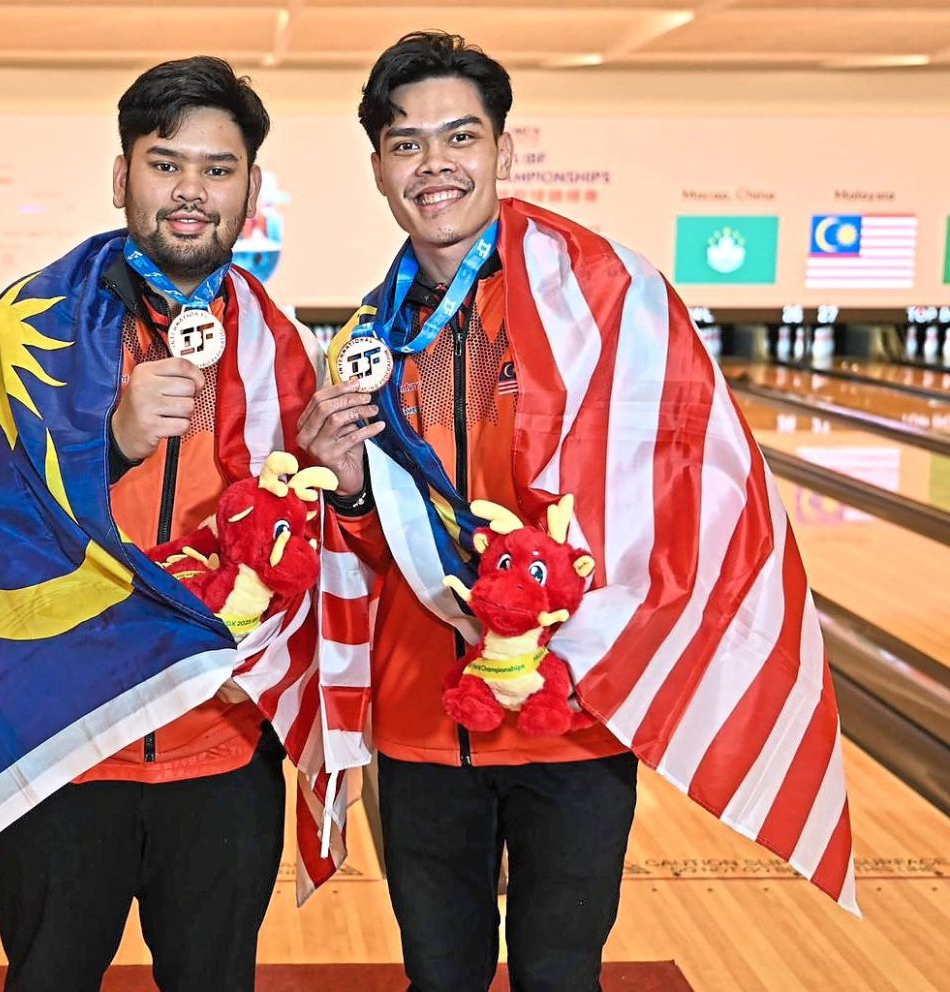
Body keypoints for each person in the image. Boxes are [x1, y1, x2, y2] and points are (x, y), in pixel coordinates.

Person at [299, 30, 824, 992]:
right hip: (423, 724)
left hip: (575, 715)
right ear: (379, 168)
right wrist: (350, 488)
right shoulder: (368, 342)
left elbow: (681, 487)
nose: (434, 164)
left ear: (502, 148)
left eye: (460, 137)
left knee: (560, 973)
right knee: (440, 975)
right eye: (407, 143)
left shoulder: (602, 301)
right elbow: (370, 553)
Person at [0, 56, 322, 992]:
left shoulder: (283, 349)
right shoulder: (33, 325)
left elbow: (305, 553)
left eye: (218, 169)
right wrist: (110, 443)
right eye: (165, 163)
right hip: (65, 750)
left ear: (250, 190)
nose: (191, 191)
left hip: (223, 750)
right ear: (121, 174)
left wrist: (342, 488)